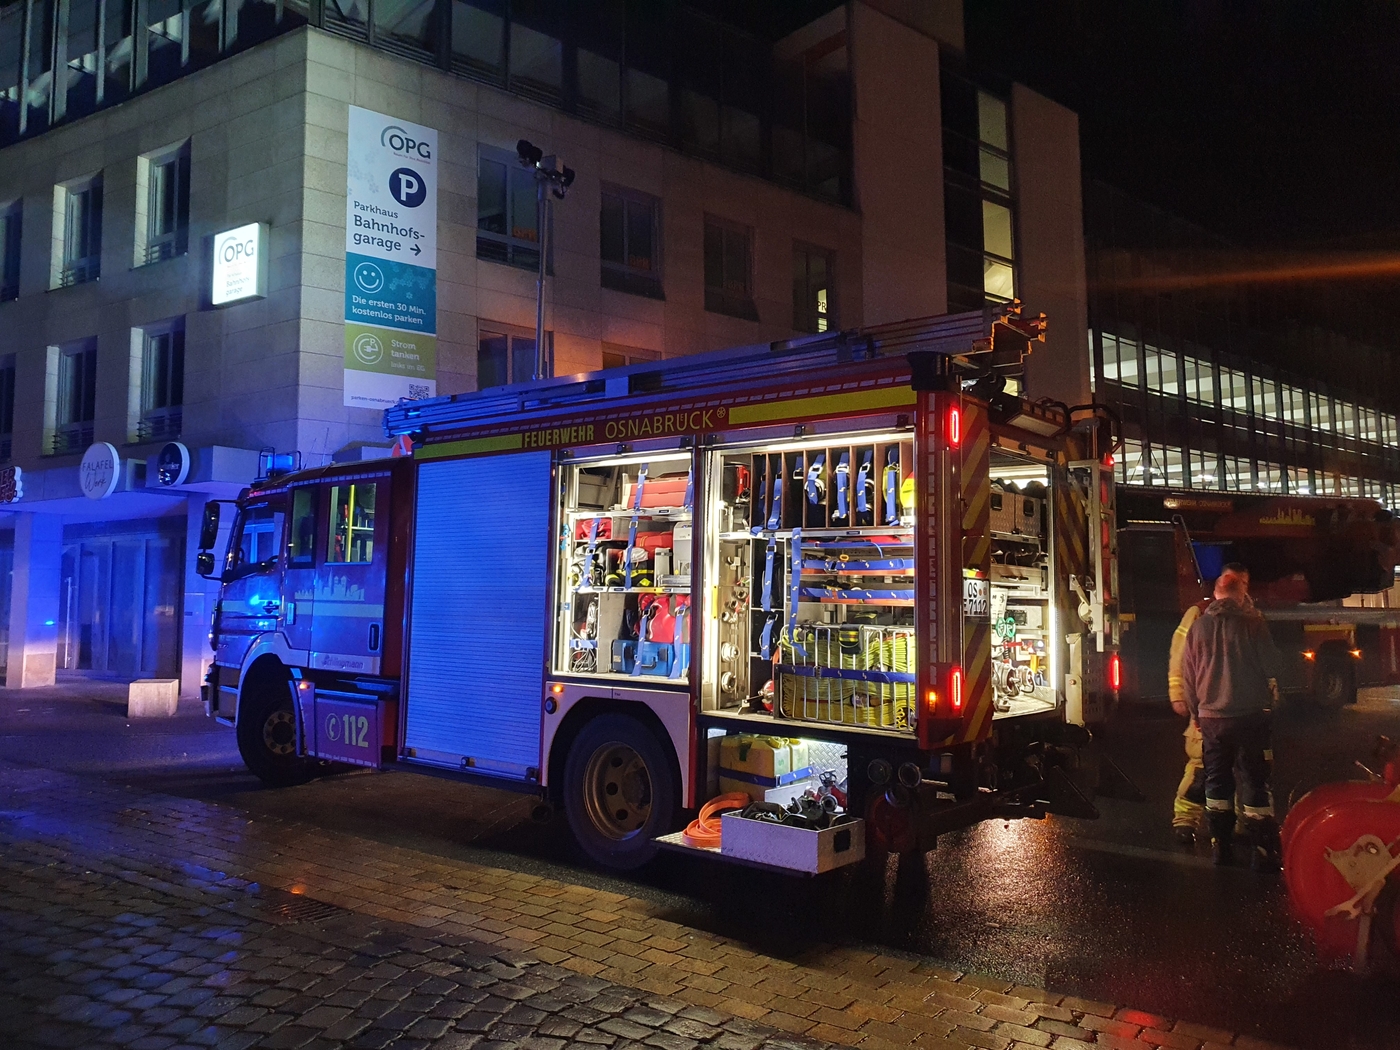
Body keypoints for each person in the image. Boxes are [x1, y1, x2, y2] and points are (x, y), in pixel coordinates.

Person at [1180, 566, 1284, 869]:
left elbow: (1189, 677)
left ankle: (1221, 846)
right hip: (1251, 716)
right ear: (1242, 594)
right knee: (1254, 780)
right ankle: (1262, 850)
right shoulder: (1254, 624)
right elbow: (1273, 664)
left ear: (1215, 594)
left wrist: (1195, 713)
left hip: (1212, 719)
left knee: (1216, 782)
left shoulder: (1198, 628)